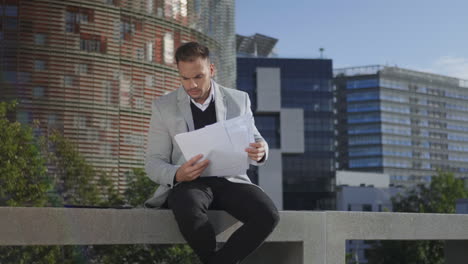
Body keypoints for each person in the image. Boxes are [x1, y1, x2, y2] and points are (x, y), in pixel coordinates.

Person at [144, 42, 279, 264]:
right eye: (185, 78)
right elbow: (153, 163)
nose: (192, 85)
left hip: (230, 181)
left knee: (268, 215)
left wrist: (261, 150)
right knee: (187, 207)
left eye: (199, 76)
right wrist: (178, 174)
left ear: (212, 70)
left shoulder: (239, 99)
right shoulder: (163, 107)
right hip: (189, 185)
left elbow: (256, 139)